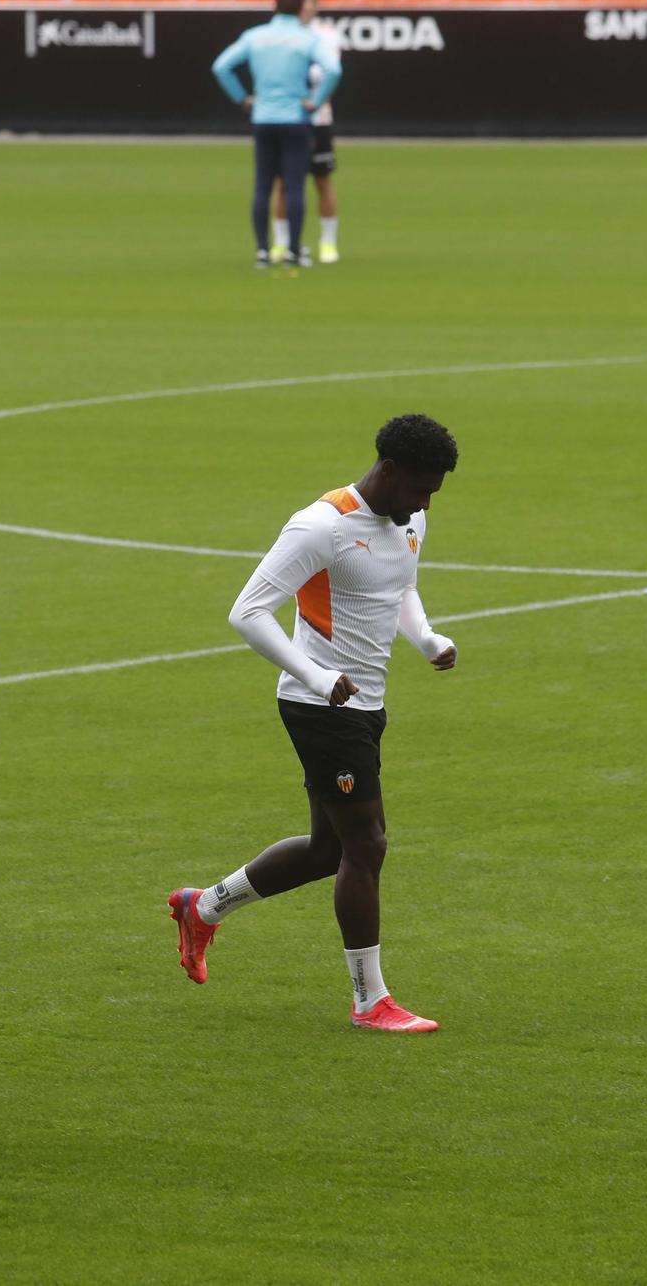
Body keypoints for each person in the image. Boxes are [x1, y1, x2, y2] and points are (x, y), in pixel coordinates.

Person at [169, 414, 458, 1033]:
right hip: (320, 708)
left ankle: (203, 906)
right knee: (367, 844)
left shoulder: (409, 520)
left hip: (366, 705)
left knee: (330, 849)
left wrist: (426, 637)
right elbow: (247, 613)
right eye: (419, 489)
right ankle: (369, 1000)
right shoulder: (320, 527)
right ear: (387, 471)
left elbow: (399, 585)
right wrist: (316, 677)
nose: (425, 504)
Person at [212, 0, 343, 270]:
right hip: (295, 118)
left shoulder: (256, 36)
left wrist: (242, 98)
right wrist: (316, 100)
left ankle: (262, 250)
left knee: (263, 186)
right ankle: (294, 251)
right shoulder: (306, 38)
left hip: (263, 118)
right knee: (295, 186)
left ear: (274, 6)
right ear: (299, 9)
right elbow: (333, 70)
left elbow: (221, 66)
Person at [274, 0, 342, 265]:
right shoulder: (279, 34)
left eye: (312, 0)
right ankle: (281, 243)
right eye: (303, 0)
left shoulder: (326, 34)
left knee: (322, 178)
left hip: (317, 117)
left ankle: (328, 242)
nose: (307, 6)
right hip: (286, 116)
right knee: (283, 182)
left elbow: (327, 73)